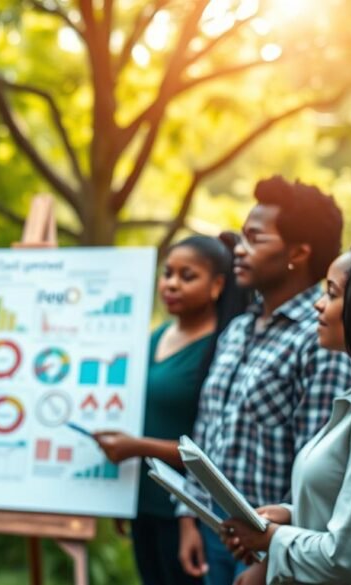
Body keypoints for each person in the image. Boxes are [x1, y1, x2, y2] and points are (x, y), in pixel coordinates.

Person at [175, 177, 351, 585]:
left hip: (276, 548)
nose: (239, 249)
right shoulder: (238, 328)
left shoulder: (322, 338)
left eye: (255, 239)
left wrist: (269, 562)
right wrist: (190, 515)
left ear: (297, 252)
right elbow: (207, 432)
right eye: (241, 236)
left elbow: (323, 470)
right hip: (217, 534)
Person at [221, 234, 351, 585]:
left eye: (332, 294)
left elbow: (345, 559)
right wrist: (291, 515)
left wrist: (271, 540)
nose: (317, 305)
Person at [93, 234, 248, 585]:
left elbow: (210, 446)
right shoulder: (155, 335)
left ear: (217, 285)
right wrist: (121, 494)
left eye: (187, 276)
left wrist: (137, 447)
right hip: (142, 499)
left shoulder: (221, 350)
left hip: (187, 511)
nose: (172, 284)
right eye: (168, 273)